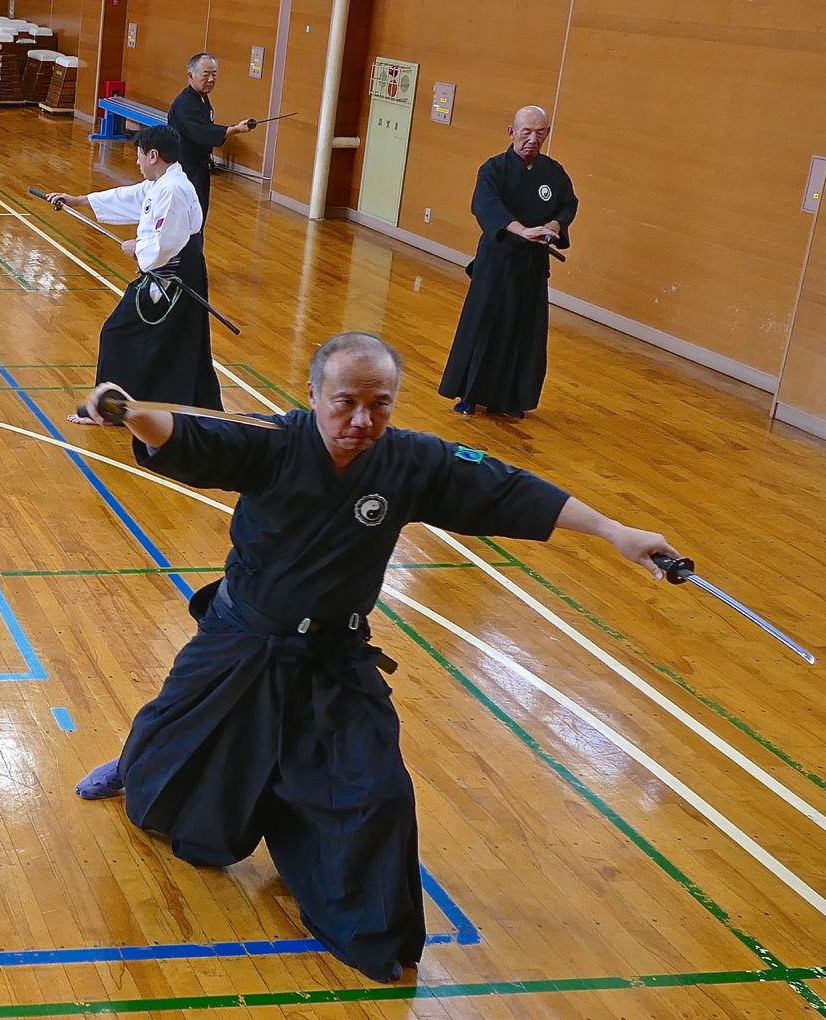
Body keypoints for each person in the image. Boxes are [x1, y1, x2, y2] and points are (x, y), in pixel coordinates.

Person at [74, 332, 678, 983]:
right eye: (345, 403)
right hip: (242, 638)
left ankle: (369, 928)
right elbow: (189, 436)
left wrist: (616, 531)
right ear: (313, 396)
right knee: (175, 729)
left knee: (377, 790)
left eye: (379, 404)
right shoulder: (273, 445)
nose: (362, 420)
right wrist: (128, 410)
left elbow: (510, 489)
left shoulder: (411, 462)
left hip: (335, 655)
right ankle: (136, 763)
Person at [47, 126, 222, 425]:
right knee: (178, 341)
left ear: (154, 155)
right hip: (173, 274)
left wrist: (139, 248)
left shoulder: (174, 189)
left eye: (140, 156)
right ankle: (184, 406)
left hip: (173, 277)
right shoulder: (163, 182)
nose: (137, 162)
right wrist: (79, 200)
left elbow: (167, 241)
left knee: (118, 332)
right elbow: (131, 197)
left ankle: (108, 408)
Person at [438, 105, 578, 420]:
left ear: (547, 134)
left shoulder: (553, 173)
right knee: (484, 326)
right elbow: (485, 205)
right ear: (511, 132)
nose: (532, 138)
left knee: (524, 332)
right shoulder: (493, 169)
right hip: (497, 261)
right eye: (526, 131)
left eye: (539, 132)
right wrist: (522, 230)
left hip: (532, 266)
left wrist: (553, 227)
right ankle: (469, 395)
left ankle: (510, 399)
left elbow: (568, 205)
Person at [168, 52, 254, 225]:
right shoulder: (185, 103)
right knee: (189, 215)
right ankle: (185, 252)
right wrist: (234, 129)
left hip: (199, 166)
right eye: (205, 75)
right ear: (190, 75)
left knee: (199, 212)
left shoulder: (201, 98)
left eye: (214, 74)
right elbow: (201, 132)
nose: (211, 79)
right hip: (186, 168)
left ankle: (194, 251)